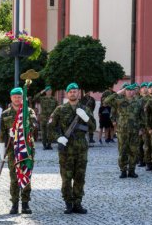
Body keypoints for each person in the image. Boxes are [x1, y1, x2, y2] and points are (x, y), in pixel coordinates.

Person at [50, 83, 95, 214]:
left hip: (81, 149)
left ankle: (78, 202)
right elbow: (51, 127)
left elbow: (93, 127)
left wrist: (86, 118)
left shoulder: (85, 109)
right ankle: (68, 203)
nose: (73, 93)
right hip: (66, 150)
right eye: (70, 92)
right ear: (67, 93)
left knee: (80, 177)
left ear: (78, 93)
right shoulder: (60, 109)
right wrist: (59, 138)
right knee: (66, 177)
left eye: (75, 91)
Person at [0, 87, 38, 214]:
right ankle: (15, 204)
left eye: (19, 96)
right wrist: (2, 150)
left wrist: (20, 129)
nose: (17, 98)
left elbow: (33, 126)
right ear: (11, 98)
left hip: (26, 149)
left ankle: (25, 204)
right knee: (14, 177)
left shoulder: (29, 111)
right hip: (12, 150)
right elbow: (2, 134)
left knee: (26, 174)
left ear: (23, 98)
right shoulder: (5, 114)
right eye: (14, 96)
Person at [103, 84, 145, 178]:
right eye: (128, 90)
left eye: (132, 90)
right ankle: (123, 170)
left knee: (134, 151)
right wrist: (119, 92)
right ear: (125, 91)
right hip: (122, 130)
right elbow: (106, 101)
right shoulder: (119, 101)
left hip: (135, 131)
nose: (130, 92)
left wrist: (142, 128)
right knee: (123, 151)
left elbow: (142, 117)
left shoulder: (138, 102)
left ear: (134, 91)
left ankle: (132, 170)